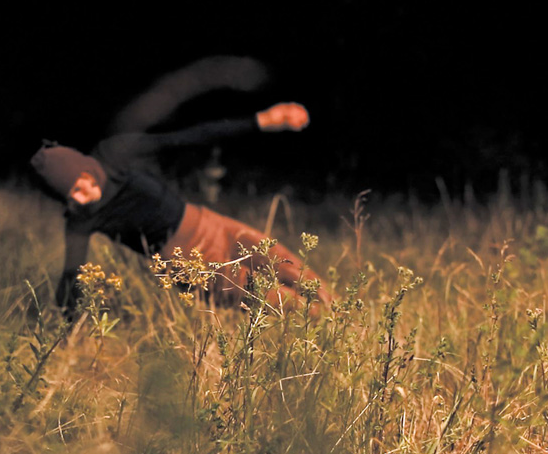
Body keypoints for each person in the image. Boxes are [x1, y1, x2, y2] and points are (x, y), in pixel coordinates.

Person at [31, 102, 331, 315]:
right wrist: (62, 336)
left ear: (85, 168)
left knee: (294, 269)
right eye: (71, 197)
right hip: (188, 262)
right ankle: (332, 339)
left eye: (80, 186)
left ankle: (352, 324)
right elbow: (71, 279)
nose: (82, 198)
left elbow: (186, 137)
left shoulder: (114, 155)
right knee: (282, 303)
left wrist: (262, 120)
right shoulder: (81, 218)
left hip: (210, 223)